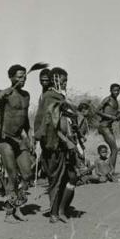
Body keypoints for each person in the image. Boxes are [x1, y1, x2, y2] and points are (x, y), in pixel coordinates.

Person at [36, 67, 79, 223]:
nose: (65, 83)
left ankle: (61, 210)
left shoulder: (58, 97)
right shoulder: (49, 97)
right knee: (56, 179)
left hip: (65, 143)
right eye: (63, 80)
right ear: (55, 79)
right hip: (53, 143)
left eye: (66, 80)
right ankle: (54, 214)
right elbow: (50, 124)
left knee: (72, 177)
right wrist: (65, 140)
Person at [0, 64, 34, 223]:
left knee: (27, 174)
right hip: (5, 139)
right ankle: (10, 213)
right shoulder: (6, 94)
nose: (22, 79)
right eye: (19, 76)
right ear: (11, 78)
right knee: (12, 175)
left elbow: (25, 118)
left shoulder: (26, 95)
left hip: (19, 138)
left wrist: (29, 135)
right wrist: (1, 95)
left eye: (24, 76)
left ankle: (16, 205)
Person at [96, 84, 120, 171]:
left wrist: (117, 116)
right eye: (115, 90)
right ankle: (112, 171)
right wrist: (111, 117)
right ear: (110, 90)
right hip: (104, 127)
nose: (117, 92)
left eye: (118, 90)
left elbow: (113, 112)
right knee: (115, 149)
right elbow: (97, 111)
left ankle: (110, 171)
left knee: (113, 149)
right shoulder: (107, 99)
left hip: (109, 127)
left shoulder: (116, 101)